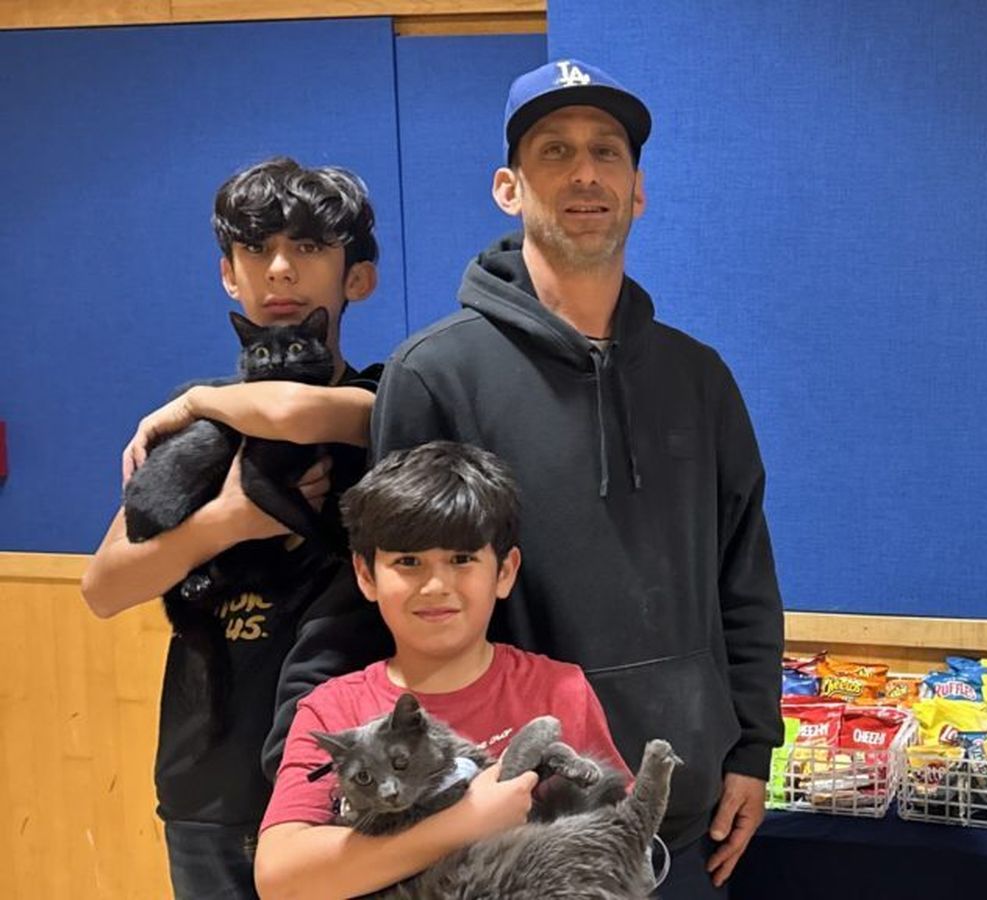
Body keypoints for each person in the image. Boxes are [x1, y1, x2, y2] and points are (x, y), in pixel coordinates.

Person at [355, 58, 784, 896]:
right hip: (511, 845)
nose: (585, 173)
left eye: (607, 152)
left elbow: (745, 575)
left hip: (679, 822)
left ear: (638, 189)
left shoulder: (700, 379)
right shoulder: (435, 376)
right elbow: (398, 610)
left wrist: (752, 747)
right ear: (508, 188)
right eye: (554, 152)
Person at [79, 157, 385, 899]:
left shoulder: (389, 403)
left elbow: (292, 413)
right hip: (207, 781)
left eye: (308, 248)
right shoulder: (200, 423)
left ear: (358, 277)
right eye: (255, 250)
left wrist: (192, 402)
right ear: (228, 276)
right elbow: (104, 587)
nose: (279, 270)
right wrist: (227, 521)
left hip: (354, 780)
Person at [253, 440, 631, 898]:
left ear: (505, 571)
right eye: (408, 562)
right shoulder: (333, 709)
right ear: (367, 575)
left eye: (462, 559)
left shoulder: (557, 688)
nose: (435, 586)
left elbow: (617, 839)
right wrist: (467, 822)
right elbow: (280, 879)